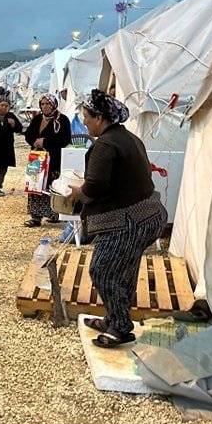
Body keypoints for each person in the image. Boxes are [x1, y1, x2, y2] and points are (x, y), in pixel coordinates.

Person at [68, 89, 167, 349]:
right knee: (124, 270)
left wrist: (80, 191)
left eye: (86, 116)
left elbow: (97, 186)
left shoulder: (105, 145)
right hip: (149, 214)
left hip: (130, 221)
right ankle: (114, 318)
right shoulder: (128, 137)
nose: (84, 120)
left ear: (100, 117)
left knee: (103, 270)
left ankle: (121, 328)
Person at [23, 94, 72, 226]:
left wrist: (45, 142)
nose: (45, 107)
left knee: (52, 186)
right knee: (35, 185)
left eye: (47, 104)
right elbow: (28, 134)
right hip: (37, 158)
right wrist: (35, 142)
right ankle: (35, 217)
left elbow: (65, 139)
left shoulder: (62, 120)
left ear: (53, 104)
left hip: (54, 159)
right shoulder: (37, 119)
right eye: (42, 104)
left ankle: (54, 214)